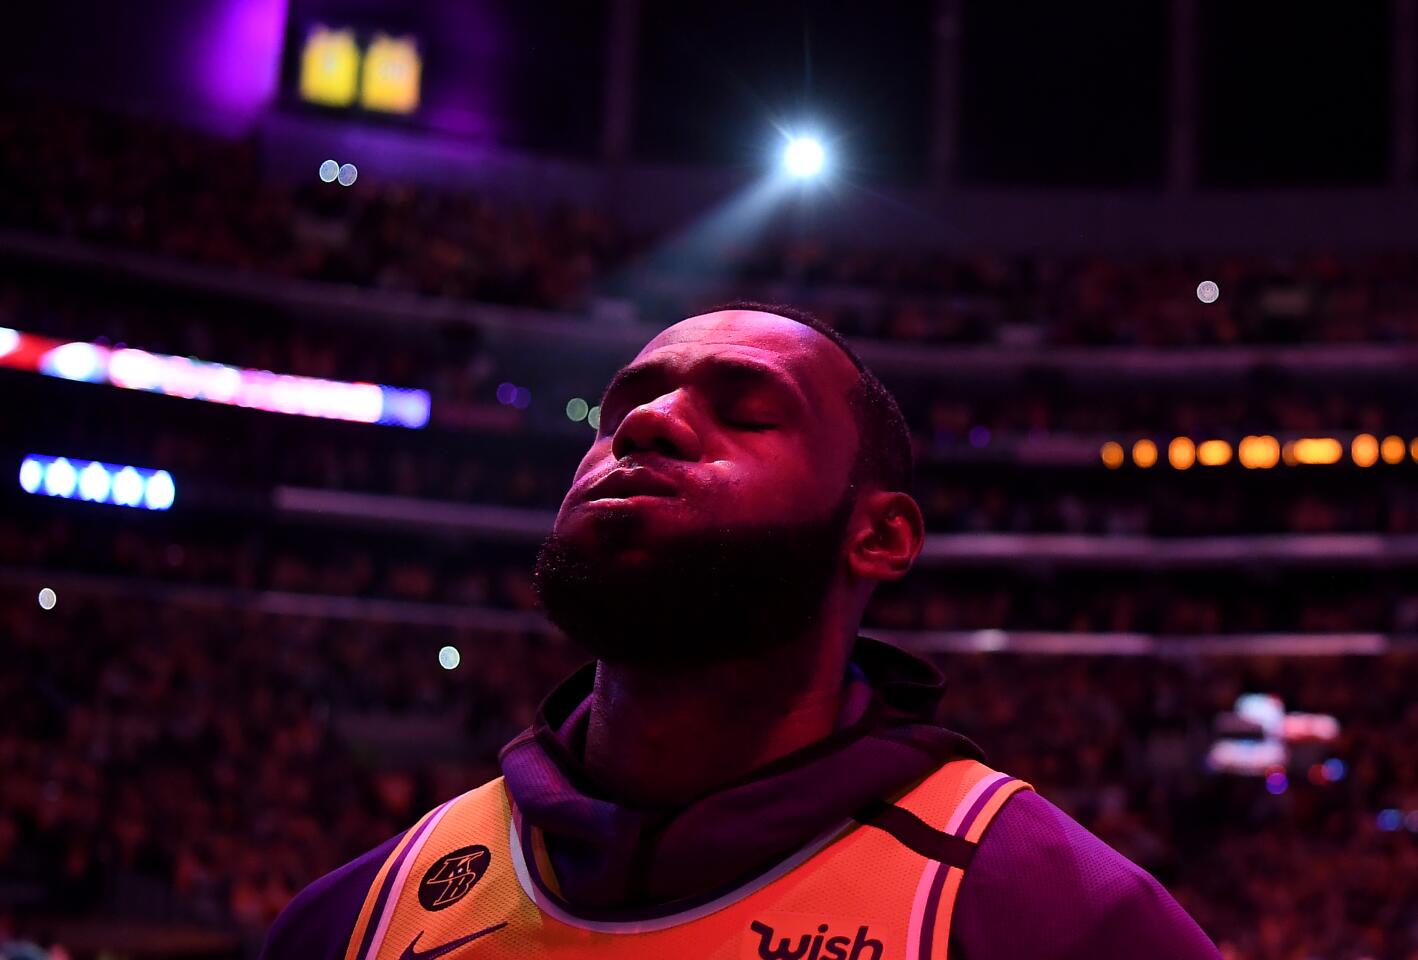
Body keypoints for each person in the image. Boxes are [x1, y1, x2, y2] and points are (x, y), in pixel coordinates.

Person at [260, 303, 1221, 959]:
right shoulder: (355, 919)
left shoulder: (1050, 913)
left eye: (747, 412)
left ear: (879, 535)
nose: (649, 426)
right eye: (623, 408)